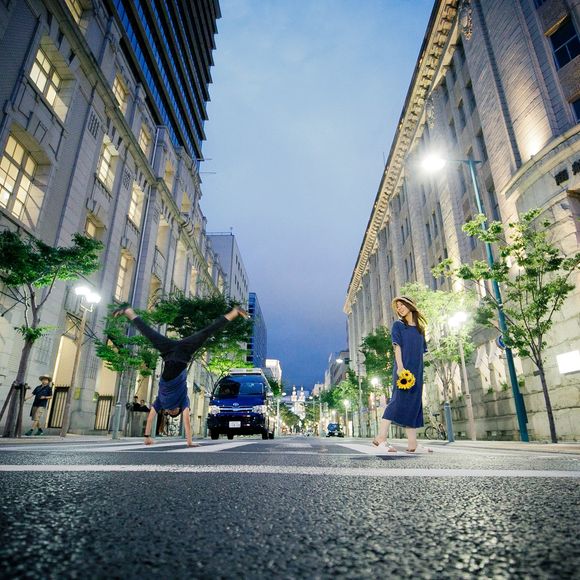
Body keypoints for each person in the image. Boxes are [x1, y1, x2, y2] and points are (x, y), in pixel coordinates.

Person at [112, 304, 249, 447]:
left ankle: (128, 311)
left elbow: (151, 415)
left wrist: (147, 436)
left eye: (170, 412)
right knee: (206, 332)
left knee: (149, 333)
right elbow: (186, 420)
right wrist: (189, 442)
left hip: (169, 353)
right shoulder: (183, 400)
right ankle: (234, 312)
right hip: (183, 354)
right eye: (174, 412)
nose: (172, 410)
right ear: (178, 410)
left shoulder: (161, 402)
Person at [372, 296, 432, 453]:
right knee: (397, 401)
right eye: (397, 306)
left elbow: (420, 352)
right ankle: (380, 438)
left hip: (417, 371)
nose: (399, 308)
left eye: (401, 305)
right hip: (403, 369)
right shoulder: (398, 325)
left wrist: (420, 372)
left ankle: (413, 444)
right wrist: (400, 367)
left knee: (414, 404)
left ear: (410, 305)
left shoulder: (420, 328)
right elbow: (397, 347)